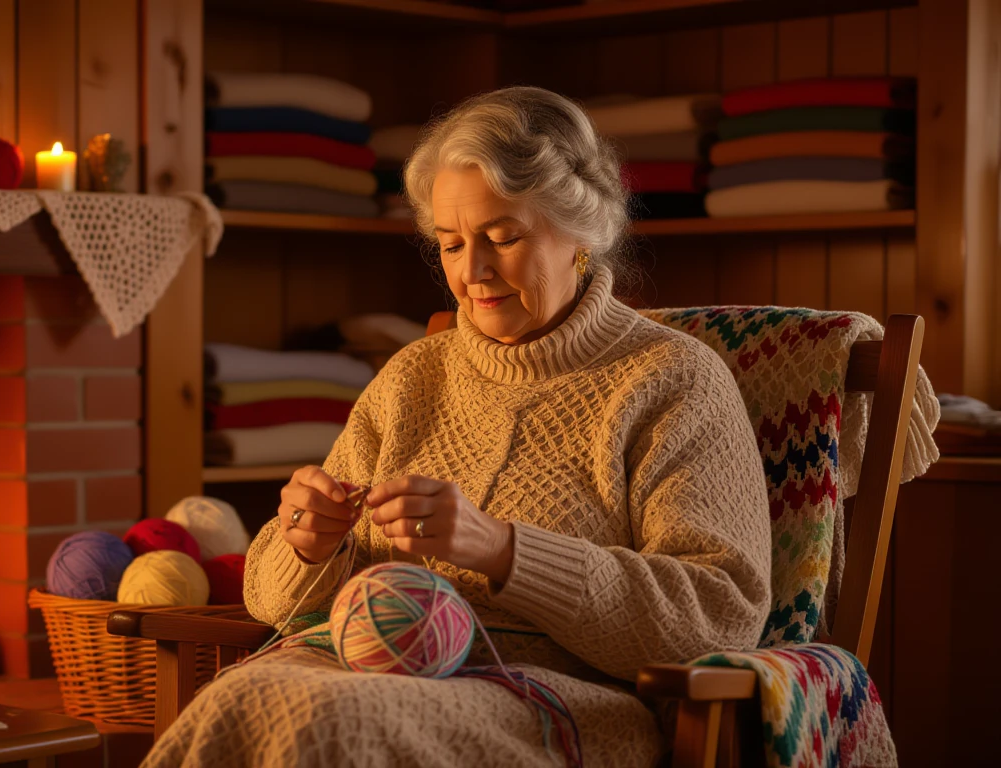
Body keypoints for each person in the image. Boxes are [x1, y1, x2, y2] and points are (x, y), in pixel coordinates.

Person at [144, 86, 772, 767]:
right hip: (362, 677)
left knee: (326, 721)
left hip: (563, 706)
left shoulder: (674, 379)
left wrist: (503, 549)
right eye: (449, 244)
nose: (471, 273)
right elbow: (267, 597)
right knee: (237, 700)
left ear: (580, 235)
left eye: (502, 237)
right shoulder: (413, 376)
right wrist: (308, 546)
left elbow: (721, 614)